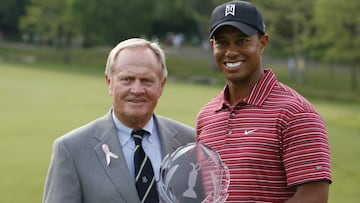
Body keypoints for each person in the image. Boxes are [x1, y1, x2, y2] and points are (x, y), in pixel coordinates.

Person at [196, 1, 332, 202]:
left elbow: (314, 197)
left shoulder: (296, 113)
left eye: (242, 41)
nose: (231, 52)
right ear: (212, 46)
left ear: (262, 43)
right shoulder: (206, 117)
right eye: (222, 42)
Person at [43, 38, 195, 203]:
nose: (137, 90)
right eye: (127, 79)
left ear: (161, 85)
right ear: (109, 82)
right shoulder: (71, 150)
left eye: (146, 80)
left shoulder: (189, 142)